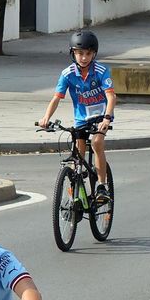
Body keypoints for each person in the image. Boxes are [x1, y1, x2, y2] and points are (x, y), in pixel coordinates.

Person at [39, 30, 116, 200]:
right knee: (77, 153)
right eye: (80, 53)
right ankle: (75, 192)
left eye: (88, 54)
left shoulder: (101, 71)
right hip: (82, 118)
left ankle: (102, 186)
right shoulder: (68, 74)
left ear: (93, 54)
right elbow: (56, 98)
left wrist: (107, 118)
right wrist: (46, 118)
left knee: (96, 143)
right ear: (73, 53)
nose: (84, 58)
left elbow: (111, 96)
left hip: (101, 117)